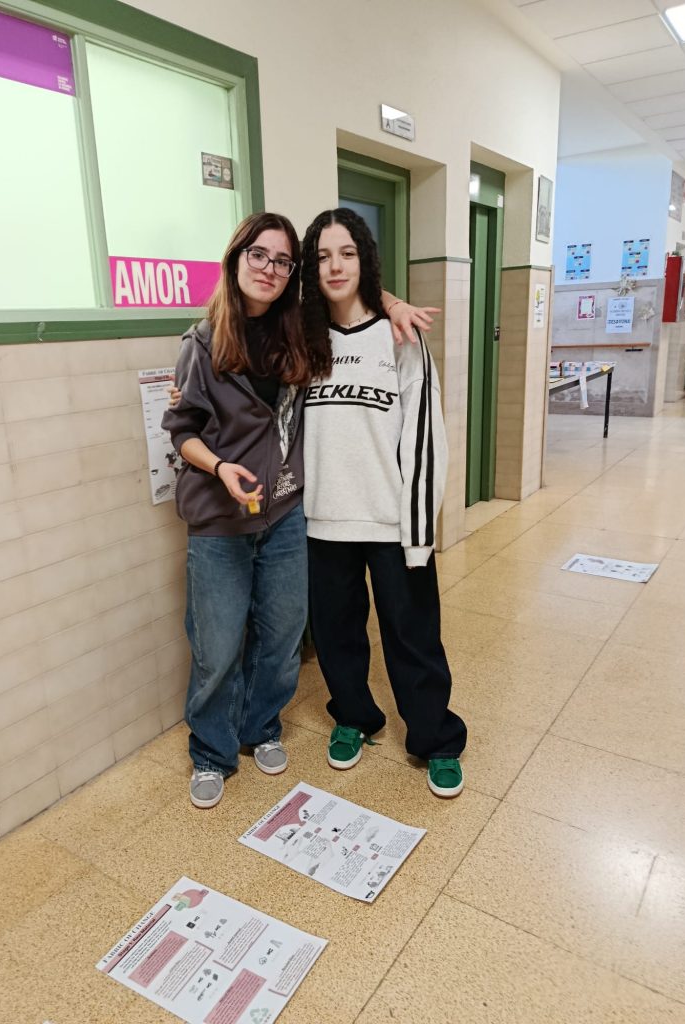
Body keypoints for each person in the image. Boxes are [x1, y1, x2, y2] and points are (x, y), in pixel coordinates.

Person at [162, 211, 435, 809]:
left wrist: (390, 301)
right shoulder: (210, 341)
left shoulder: (302, 334)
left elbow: (348, 290)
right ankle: (214, 750)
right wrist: (217, 465)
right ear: (236, 259)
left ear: (293, 275)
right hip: (244, 518)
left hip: (294, 514)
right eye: (258, 255)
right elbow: (181, 426)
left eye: (282, 261)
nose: (270, 268)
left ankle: (267, 727)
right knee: (224, 644)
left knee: (288, 638)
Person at [300, 207, 467, 797]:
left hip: (392, 521)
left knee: (413, 635)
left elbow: (424, 438)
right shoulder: (303, 339)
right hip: (322, 520)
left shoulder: (400, 337)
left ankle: (436, 739)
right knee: (337, 635)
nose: (335, 266)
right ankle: (354, 717)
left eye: (346, 253)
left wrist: (419, 531)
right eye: (323, 256)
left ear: (365, 260)